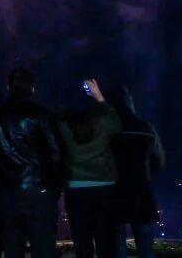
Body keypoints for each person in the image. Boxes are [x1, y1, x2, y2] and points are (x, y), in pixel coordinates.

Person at [0, 67, 63, 258]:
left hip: (8, 192)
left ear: (9, 87)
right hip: (38, 189)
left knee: (13, 247)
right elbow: (54, 151)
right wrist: (55, 184)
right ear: (32, 88)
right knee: (43, 246)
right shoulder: (40, 113)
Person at [58, 79, 120, 258]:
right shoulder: (102, 122)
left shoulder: (63, 125)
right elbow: (117, 124)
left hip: (75, 187)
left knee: (81, 242)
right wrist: (100, 98)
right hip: (104, 186)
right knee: (106, 242)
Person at [107, 86, 164, 258]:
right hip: (141, 190)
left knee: (117, 240)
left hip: (115, 190)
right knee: (145, 241)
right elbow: (159, 162)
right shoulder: (146, 127)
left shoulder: (108, 129)